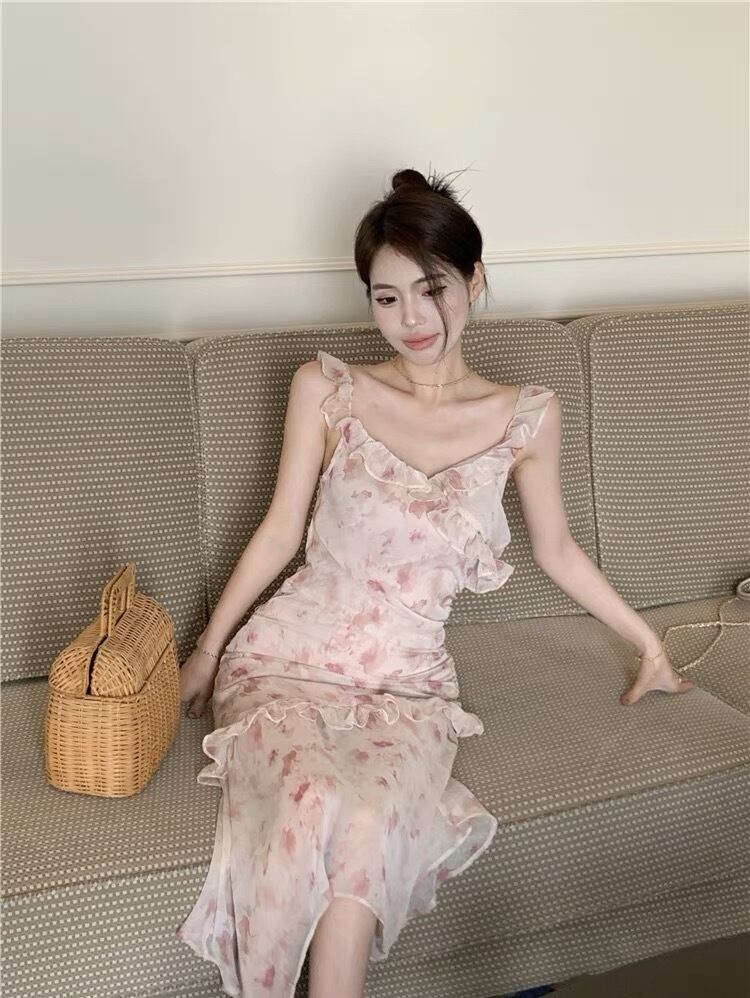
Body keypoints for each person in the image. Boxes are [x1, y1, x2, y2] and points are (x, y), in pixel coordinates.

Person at [175, 167, 693, 998]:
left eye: (432, 289)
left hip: (406, 684)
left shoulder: (526, 417)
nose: (412, 319)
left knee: (369, 817)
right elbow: (278, 533)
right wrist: (206, 653)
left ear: (474, 280)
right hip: (285, 661)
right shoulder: (326, 390)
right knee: (311, 795)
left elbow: (559, 550)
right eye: (387, 298)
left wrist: (648, 643)